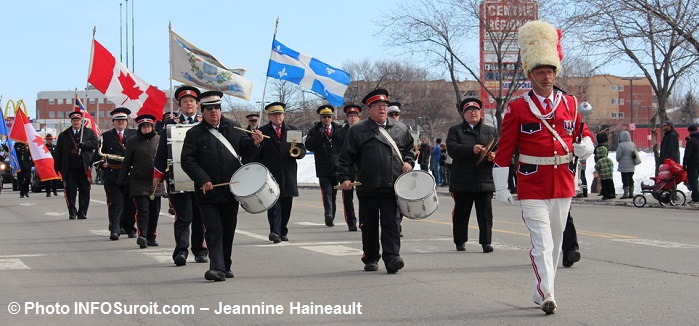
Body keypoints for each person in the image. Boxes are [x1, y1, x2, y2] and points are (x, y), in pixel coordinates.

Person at [491, 20, 594, 315]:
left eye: (550, 71)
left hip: (562, 179)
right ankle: (547, 293)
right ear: (530, 75)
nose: (546, 76)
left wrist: (586, 144)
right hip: (531, 181)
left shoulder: (570, 104)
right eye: (540, 72)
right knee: (541, 241)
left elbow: (581, 133)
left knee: (557, 239)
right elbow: (506, 149)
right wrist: (501, 186)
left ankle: (545, 288)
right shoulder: (518, 107)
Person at [181, 91, 263, 281]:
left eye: (217, 108)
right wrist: (202, 179)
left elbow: (246, 151)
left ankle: (225, 265)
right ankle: (216, 267)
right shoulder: (194, 133)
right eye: (209, 109)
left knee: (228, 228)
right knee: (213, 229)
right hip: (207, 191)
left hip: (230, 189)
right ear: (203, 111)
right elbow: (187, 160)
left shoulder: (233, 127)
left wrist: (256, 144)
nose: (214, 112)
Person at [337, 88, 415, 274]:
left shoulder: (400, 129)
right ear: (369, 109)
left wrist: (409, 162)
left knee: (391, 223)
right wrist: (344, 178)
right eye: (377, 106)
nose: (382, 109)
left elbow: (410, 151)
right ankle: (371, 257)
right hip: (367, 185)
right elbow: (346, 158)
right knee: (369, 225)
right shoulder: (357, 130)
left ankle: (392, 258)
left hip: (392, 186)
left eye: (384, 106)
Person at [153, 85, 208, 265]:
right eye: (185, 102)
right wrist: (158, 174)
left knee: (200, 216)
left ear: (197, 104)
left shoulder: (204, 124)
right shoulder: (170, 125)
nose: (188, 104)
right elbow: (162, 152)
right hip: (177, 177)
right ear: (180, 105)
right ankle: (181, 251)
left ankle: (200, 250)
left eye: (191, 101)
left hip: (200, 178)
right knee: (183, 217)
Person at [447, 98, 496, 253]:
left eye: (475, 110)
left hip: (484, 178)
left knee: (486, 214)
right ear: (464, 114)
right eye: (469, 111)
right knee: (461, 213)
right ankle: (460, 241)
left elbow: (499, 149)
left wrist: (493, 156)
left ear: (480, 112)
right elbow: (452, 149)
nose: (473, 113)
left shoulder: (490, 131)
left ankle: (486, 242)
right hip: (462, 179)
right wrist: (471, 149)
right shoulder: (455, 131)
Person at [254, 102, 307, 243]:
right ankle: (274, 231)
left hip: (288, 173)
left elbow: (302, 149)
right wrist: (257, 144)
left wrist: (298, 153)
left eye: (280, 114)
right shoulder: (262, 131)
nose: (278, 117)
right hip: (271, 175)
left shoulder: (292, 130)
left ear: (284, 115)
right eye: (274, 114)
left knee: (286, 204)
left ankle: (283, 230)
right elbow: (255, 153)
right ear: (269, 116)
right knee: (273, 204)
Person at [118, 114, 161, 249]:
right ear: (140, 128)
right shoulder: (133, 142)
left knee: (154, 211)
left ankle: (151, 237)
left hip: (155, 182)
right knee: (143, 210)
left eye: (149, 126)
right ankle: (142, 235)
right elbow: (126, 163)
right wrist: (121, 180)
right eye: (144, 127)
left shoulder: (159, 140)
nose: (147, 129)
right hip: (138, 182)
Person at [96, 108, 138, 240]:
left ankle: (130, 228)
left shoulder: (134, 135)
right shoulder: (106, 136)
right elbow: (97, 155)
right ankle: (115, 229)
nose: (121, 122)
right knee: (116, 203)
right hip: (113, 174)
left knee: (131, 204)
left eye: (123, 120)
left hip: (131, 175)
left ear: (127, 122)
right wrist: (102, 163)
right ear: (113, 122)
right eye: (118, 120)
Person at [54, 111, 99, 220]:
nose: (76, 123)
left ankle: (82, 212)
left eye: (78, 120)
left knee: (85, 190)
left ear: (81, 121)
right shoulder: (64, 135)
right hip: (70, 168)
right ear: (71, 122)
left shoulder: (88, 132)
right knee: (70, 191)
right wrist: (57, 167)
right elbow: (58, 152)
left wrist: (84, 145)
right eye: (74, 121)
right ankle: (72, 212)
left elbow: (95, 143)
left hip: (84, 167)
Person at [305, 104, 342, 227]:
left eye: (329, 116)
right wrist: (319, 135)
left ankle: (332, 214)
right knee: (327, 191)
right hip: (323, 167)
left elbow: (343, 145)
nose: (327, 119)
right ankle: (328, 215)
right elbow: (309, 146)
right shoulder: (314, 130)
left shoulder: (338, 129)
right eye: (324, 117)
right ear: (320, 118)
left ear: (332, 118)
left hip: (336, 167)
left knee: (334, 193)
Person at [335, 104, 361, 231]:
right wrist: (341, 171)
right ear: (347, 118)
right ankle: (351, 221)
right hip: (347, 169)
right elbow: (338, 153)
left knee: (364, 198)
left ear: (359, 118)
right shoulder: (340, 133)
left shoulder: (364, 131)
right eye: (350, 116)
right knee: (347, 198)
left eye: (355, 116)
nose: (353, 118)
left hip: (362, 169)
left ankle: (364, 221)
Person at [616, 130, 638, 199]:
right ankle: (631, 193)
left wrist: (619, 160)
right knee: (631, 179)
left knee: (625, 180)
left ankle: (625, 194)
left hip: (623, 166)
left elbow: (618, 156)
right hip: (631, 165)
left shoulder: (621, 145)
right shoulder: (632, 144)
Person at [682, 125, 699, 203]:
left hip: (692, 163)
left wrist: (684, 164)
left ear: (690, 132)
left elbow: (687, 154)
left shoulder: (691, 141)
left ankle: (696, 198)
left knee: (693, 180)